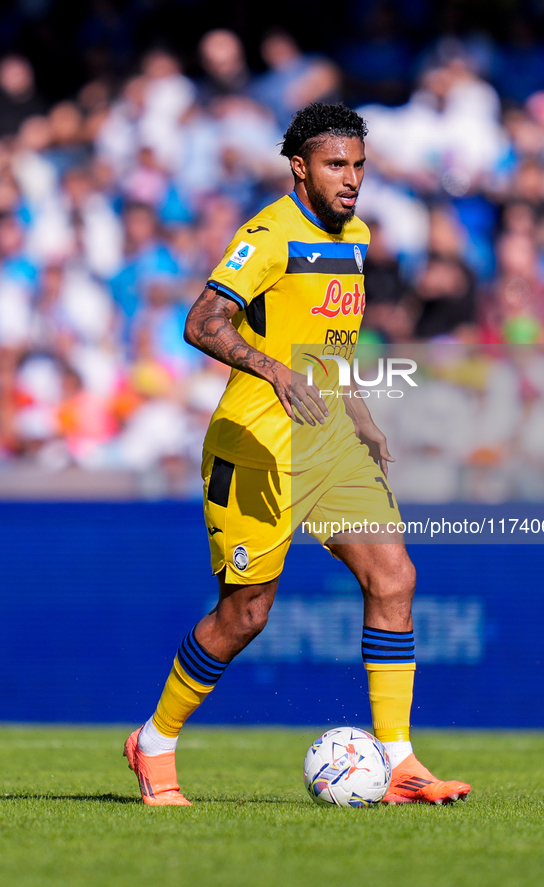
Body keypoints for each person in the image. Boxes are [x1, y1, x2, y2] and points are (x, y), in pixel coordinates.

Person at [124, 102, 471, 807]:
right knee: (245, 614)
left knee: (393, 575)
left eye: (359, 165)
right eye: (336, 165)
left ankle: (399, 759)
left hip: (327, 444)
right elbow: (202, 321)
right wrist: (271, 369)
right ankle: (154, 741)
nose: (351, 179)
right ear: (300, 167)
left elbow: (329, 347)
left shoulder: (356, 237)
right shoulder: (268, 233)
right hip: (254, 447)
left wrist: (361, 418)